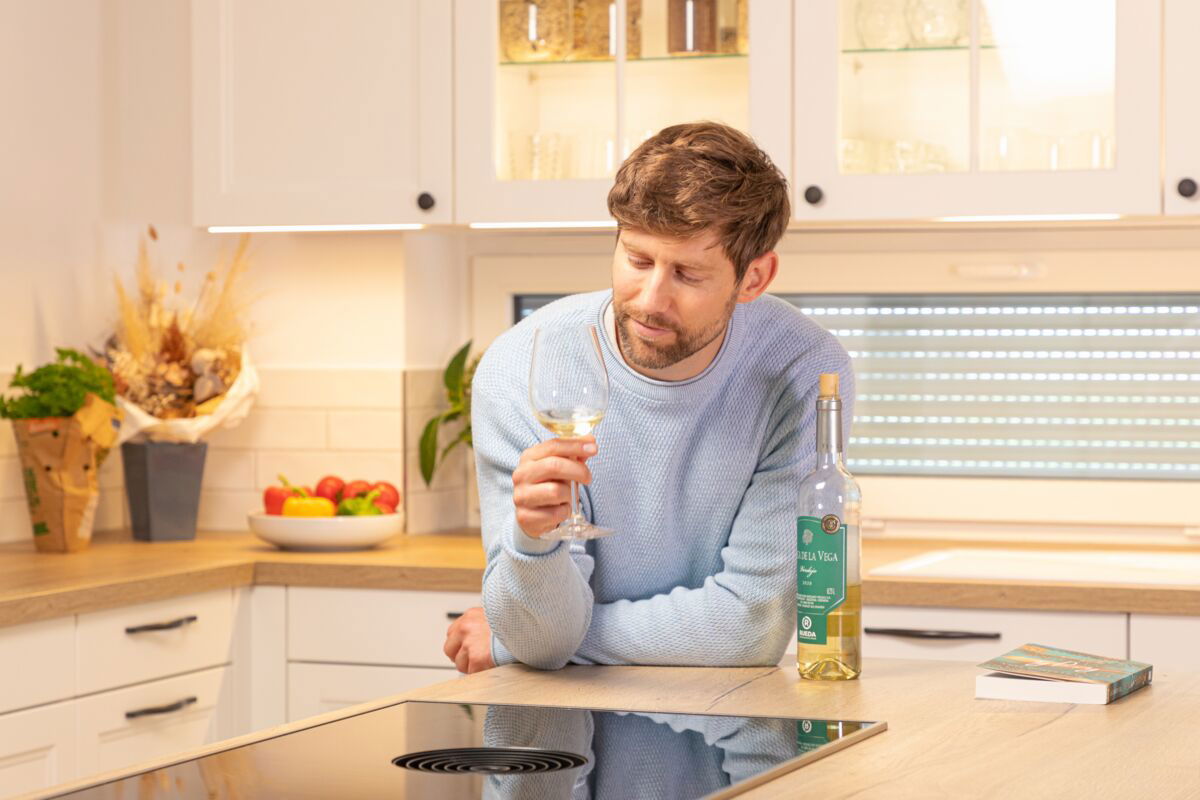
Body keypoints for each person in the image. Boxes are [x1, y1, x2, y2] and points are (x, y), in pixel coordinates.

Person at [443, 121, 854, 673]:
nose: (650, 299)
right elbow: (543, 644)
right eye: (637, 260)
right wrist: (532, 544)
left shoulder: (804, 369)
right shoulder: (524, 365)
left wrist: (517, 634)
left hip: (732, 723)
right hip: (561, 726)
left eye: (688, 273)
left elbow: (751, 628)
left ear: (754, 278)